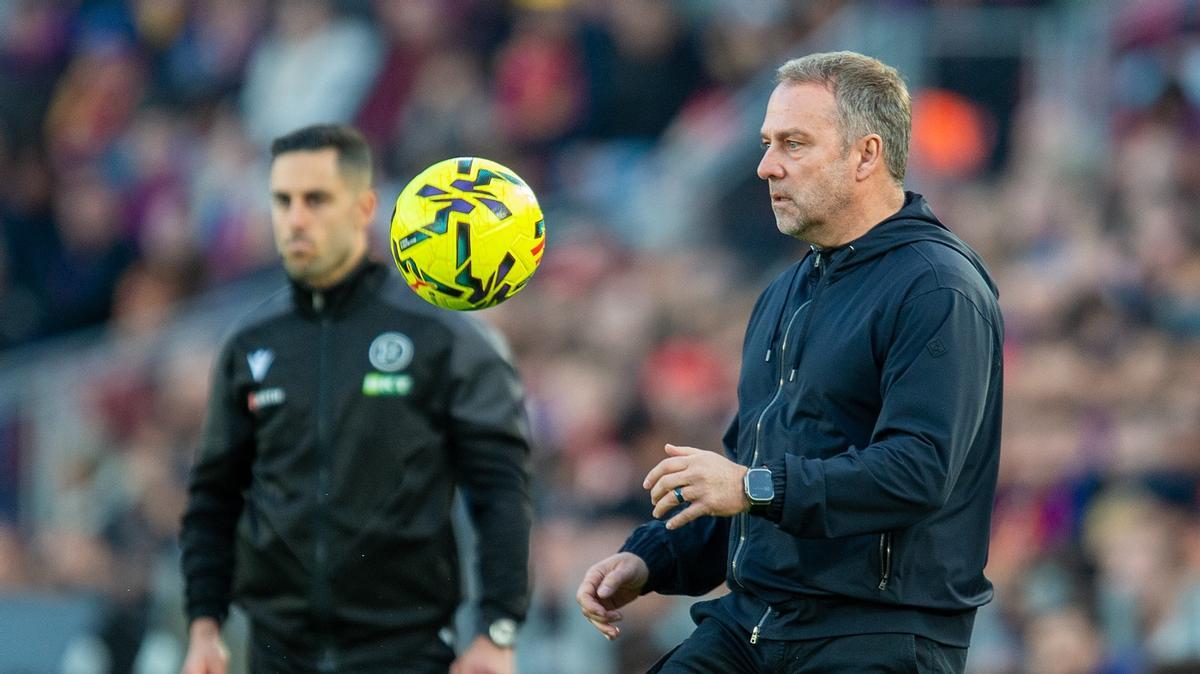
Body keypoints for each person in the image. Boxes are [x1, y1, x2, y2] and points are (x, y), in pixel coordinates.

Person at [576, 51, 1003, 673]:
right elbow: (745, 485)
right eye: (767, 143)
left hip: (876, 633)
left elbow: (918, 470)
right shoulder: (784, 292)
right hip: (753, 624)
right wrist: (649, 559)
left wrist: (753, 487)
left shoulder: (937, 288)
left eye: (793, 144)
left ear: (866, 155)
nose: (766, 165)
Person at [179, 124, 533, 674]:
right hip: (275, 652)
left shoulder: (443, 338)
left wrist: (498, 628)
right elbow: (214, 495)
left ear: (364, 208)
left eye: (316, 199)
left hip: (405, 651)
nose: (296, 218)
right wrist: (204, 626)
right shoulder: (250, 343)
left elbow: (501, 490)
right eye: (283, 201)